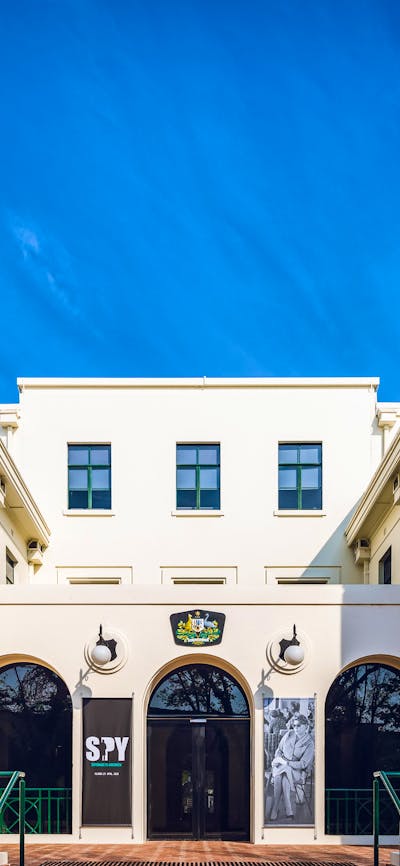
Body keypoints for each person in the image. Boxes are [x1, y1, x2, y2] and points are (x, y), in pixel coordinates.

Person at [269, 714, 314, 821]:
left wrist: (288, 763)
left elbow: (303, 764)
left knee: (282, 776)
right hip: (281, 766)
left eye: (298, 725)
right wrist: (279, 759)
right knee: (282, 778)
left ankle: (274, 809)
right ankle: (288, 809)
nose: (296, 728)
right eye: (294, 725)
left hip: (296, 771)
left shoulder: (309, 743)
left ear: (306, 726)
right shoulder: (289, 734)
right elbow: (279, 750)